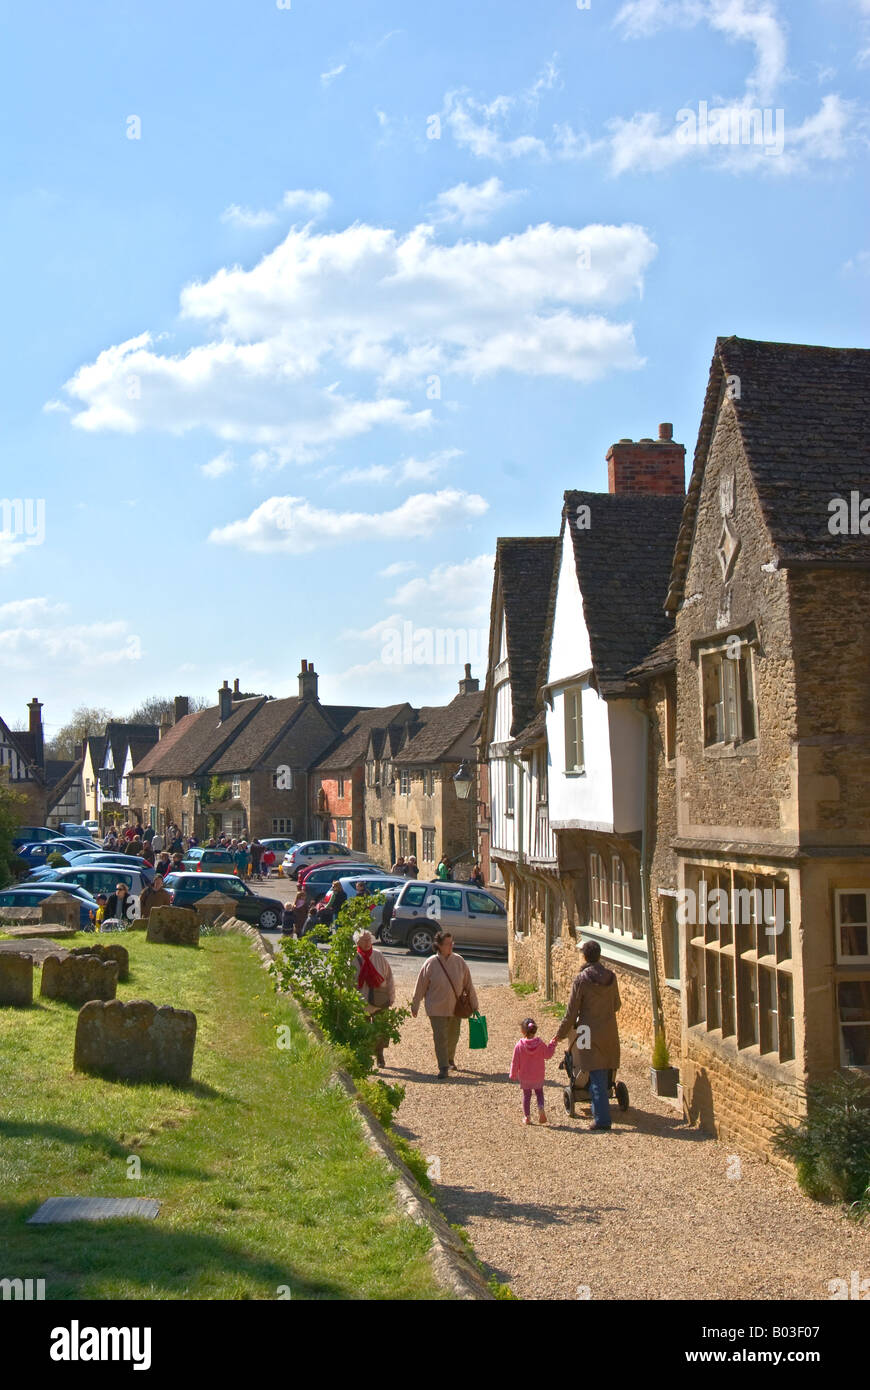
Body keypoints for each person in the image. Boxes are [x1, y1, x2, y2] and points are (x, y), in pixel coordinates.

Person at [555, 939, 621, 1132]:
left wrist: (560, 1034)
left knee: (595, 1071)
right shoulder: (611, 977)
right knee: (606, 1069)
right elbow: (616, 1005)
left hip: (587, 1031)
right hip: (609, 1030)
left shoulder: (581, 979)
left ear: (584, 956)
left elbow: (571, 1012)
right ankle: (600, 1106)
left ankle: (601, 1118)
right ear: (599, 956)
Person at [411, 929, 479, 1079]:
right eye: (447, 943)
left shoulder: (459, 961)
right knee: (440, 1037)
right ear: (439, 945)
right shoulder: (430, 963)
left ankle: (449, 1059)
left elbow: (468, 984)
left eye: (451, 943)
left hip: (456, 1007)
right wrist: (415, 1005)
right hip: (436, 1007)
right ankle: (443, 1067)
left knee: (453, 1035)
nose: (451, 946)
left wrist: (474, 1004)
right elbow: (420, 986)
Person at [353, 929, 395, 1067]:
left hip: (379, 999)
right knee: (363, 1030)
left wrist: (391, 995)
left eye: (369, 940)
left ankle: (380, 1055)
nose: (367, 943)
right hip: (361, 1000)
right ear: (357, 941)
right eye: (364, 940)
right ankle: (364, 1058)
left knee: (381, 1029)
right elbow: (347, 981)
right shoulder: (352, 957)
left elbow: (389, 976)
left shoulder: (378, 955)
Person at [510, 1017, 558, 1126]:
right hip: (538, 1075)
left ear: (523, 1031)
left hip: (525, 1076)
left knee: (526, 1096)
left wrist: (513, 1074)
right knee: (539, 1093)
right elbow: (548, 1054)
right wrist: (552, 1044)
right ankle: (541, 1108)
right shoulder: (540, 1043)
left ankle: (527, 1117)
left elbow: (515, 1062)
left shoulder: (519, 1045)